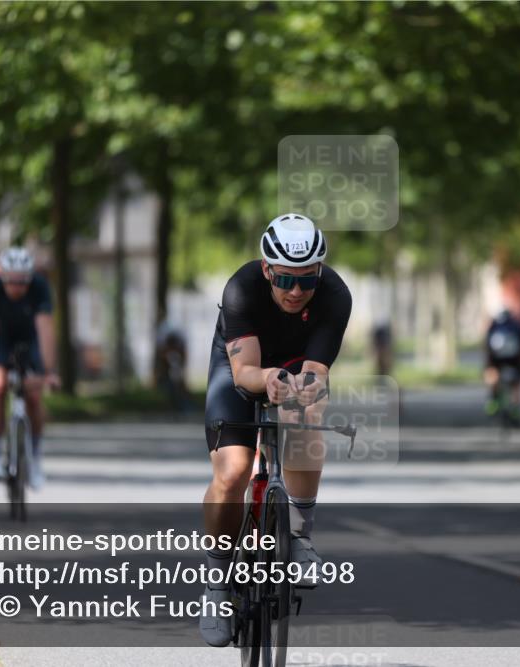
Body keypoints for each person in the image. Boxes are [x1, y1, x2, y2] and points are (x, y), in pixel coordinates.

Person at [199, 214, 351, 647]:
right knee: (233, 471)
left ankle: (299, 535)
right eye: (285, 279)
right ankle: (217, 584)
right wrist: (267, 378)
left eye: (307, 280)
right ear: (267, 270)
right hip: (242, 367)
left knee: (305, 410)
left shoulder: (335, 295)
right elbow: (245, 371)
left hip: (295, 365)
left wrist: (309, 387)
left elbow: (317, 369)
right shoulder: (241, 288)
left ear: (320, 271)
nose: (296, 291)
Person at [0, 247, 60, 488]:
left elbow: (45, 329)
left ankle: (35, 459)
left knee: (33, 395)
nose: (17, 288)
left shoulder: (40, 288)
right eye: (11, 282)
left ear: (29, 279)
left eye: (22, 282)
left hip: (30, 337)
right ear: (3, 277)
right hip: (2, 339)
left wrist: (49, 371)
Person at [483, 308, 520, 425]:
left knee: (491, 374)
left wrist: (488, 364)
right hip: (515, 361)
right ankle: (516, 409)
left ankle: (493, 400)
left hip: (497, 361)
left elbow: (487, 348)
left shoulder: (494, 326)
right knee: (517, 384)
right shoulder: (518, 326)